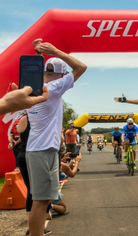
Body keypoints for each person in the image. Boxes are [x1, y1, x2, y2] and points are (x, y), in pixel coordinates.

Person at [26, 38, 86, 236]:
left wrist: (39, 53)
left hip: (40, 149)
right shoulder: (54, 88)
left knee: (42, 200)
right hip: (42, 151)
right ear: (61, 75)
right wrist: (55, 50)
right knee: (41, 201)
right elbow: (81, 67)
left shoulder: (37, 89)